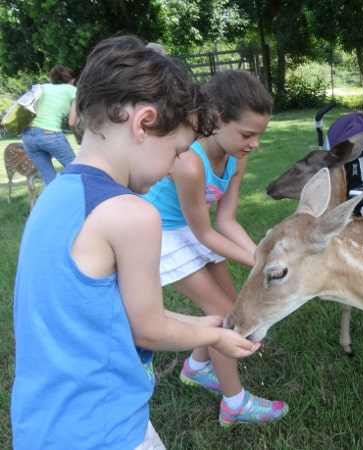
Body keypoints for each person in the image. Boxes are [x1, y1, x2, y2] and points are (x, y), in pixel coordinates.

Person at [11, 35, 262, 449]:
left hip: (44, 426)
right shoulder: (133, 214)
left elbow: (113, 320)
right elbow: (150, 332)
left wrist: (206, 323)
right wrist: (216, 339)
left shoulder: (54, 197)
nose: (171, 168)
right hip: (106, 429)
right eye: (177, 150)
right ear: (143, 123)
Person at [142, 70, 289, 427]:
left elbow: (227, 221)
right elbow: (205, 233)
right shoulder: (189, 163)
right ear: (217, 118)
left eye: (259, 135)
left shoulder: (237, 156)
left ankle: (195, 367)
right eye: (247, 134)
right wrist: (260, 265)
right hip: (162, 236)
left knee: (233, 304)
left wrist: (264, 257)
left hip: (195, 230)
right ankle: (234, 404)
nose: (254, 143)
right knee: (226, 316)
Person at [21, 65, 79, 185]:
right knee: (77, 172)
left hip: (27, 137)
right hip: (49, 135)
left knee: (49, 179)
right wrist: (79, 138)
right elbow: (72, 122)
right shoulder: (73, 90)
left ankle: (54, 202)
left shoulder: (41, 87)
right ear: (72, 81)